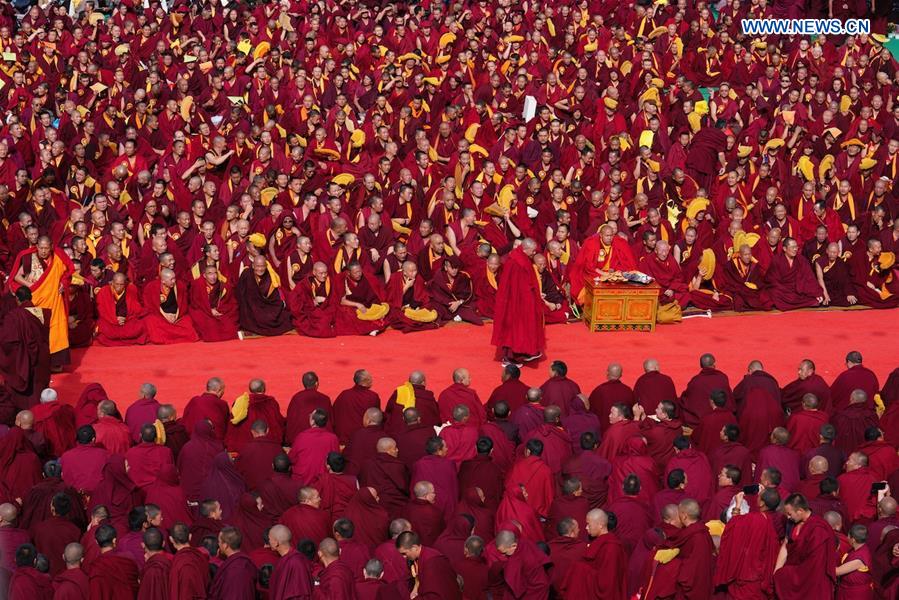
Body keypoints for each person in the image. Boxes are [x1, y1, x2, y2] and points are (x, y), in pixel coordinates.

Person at [9, 236, 75, 370]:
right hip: (36, 299)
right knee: (36, 331)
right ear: (37, 247)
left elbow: (68, 273)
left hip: (54, 300)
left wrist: (63, 282)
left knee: (57, 328)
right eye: (41, 248)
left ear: (51, 247)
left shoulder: (57, 258)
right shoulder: (29, 258)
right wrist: (31, 286)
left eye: (46, 248)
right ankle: (37, 362)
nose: (44, 251)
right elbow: (16, 276)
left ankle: (55, 363)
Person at [491, 238, 545, 366]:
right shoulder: (516, 262)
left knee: (525, 327)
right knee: (515, 329)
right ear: (525, 249)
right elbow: (515, 286)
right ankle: (510, 357)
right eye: (532, 251)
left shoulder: (523, 258)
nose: (534, 254)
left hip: (524, 299)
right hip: (515, 302)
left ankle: (525, 352)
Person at [774, 494, 838, 598]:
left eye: (790, 514)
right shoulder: (792, 523)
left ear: (800, 511)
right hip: (795, 573)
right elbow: (786, 545)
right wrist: (777, 571)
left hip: (813, 579)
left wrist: (788, 573)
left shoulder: (818, 528)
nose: (788, 517)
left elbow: (815, 564)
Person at [0, 287, 51, 410]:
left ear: (17, 299)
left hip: (23, 359)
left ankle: (23, 415)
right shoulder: (42, 313)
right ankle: (39, 411)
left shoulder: (13, 316)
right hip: (42, 356)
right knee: (38, 386)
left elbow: (7, 342)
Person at [562, 509, 628, 599]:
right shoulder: (599, 542)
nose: (586, 528)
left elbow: (607, 584)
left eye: (589, 524)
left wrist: (580, 569)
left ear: (600, 525)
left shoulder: (611, 548)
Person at [88, 524, 140, 599]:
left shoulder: (96, 567)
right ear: (114, 540)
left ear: (96, 542)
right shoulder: (128, 559)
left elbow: (96, 595)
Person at [208, 527, 258, 599]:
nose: (218, 544)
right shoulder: (247, 563)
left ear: (225, 545)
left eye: (219, 541)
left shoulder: (235, 570)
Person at [268, 524, 314, 600]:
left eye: (270, 539)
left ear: (276, 543)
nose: (268, 541)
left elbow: (301, 594)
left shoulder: (296, 562)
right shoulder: (284, 560)